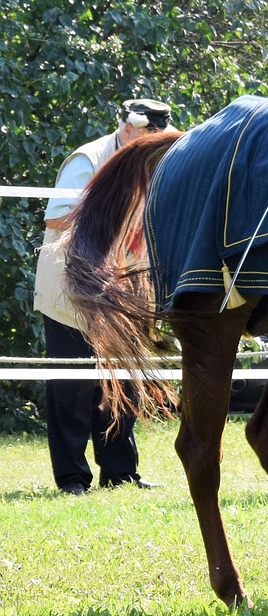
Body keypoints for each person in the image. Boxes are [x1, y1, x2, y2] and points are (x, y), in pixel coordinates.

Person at [33, 97, 174, 494]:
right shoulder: (88, 159)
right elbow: (57, 216)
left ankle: (121, 473)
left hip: (125, 295)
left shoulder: (155, 160)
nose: (153, 145)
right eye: (148, 137)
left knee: (123, 385)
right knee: (72, 388)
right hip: (72, 295)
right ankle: (72, 478)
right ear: (128, 129)